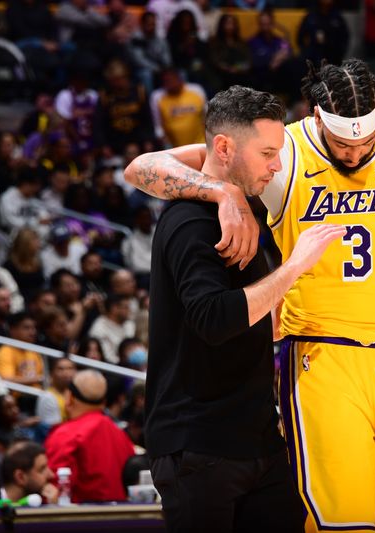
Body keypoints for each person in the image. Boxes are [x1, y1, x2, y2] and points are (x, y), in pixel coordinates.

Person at [125, 59, 375, 531]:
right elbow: (144, 167)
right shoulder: (282, 151)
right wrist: (221, 193)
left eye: (365, 141)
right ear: (316, 118)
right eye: (341, 143)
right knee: (338, 523)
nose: (354, 154)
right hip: (320, 355)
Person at [145, 86, 340, 532]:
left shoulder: (248, 207)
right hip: (198, 443)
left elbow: (253, 320)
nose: (277, 164)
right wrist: (293, 268)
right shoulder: (188, 221)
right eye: (268, 152)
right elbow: (215, 320)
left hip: (256, 437)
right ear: (225, 147)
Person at [45, 370, 134, 503]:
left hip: (82, 520)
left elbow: (55, 490)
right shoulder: (121, 435)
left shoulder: (64, 435)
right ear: (104, 402)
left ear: (69, 398)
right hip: (124, 516)